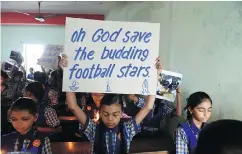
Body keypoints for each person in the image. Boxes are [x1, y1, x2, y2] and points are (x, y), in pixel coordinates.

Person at [61, 54, 162, 154]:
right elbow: (73, 106)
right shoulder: (93, 129)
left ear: (121, 112)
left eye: (115, 114)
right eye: (105, 114)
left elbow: (148, 106)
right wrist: (67, 72)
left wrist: (155, 76)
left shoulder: (128, 128)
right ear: (99, 112)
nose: (110, 119)